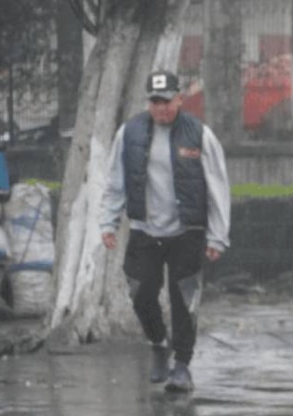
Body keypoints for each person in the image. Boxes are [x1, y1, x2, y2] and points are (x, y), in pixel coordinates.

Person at [99, 69, 231, 393]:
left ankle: (182, 366)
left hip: (187, 231)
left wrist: (218, 235)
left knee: (184, 299)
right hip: (145, 229)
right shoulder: (129, 133)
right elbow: (115, 180)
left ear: (179, 99)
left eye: (168, 101)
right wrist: (108, 221)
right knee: (140, 293)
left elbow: (218, 186)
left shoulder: (199, 134)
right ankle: (159, 342)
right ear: (149, 103)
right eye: (156, 102)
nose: (162, 108)